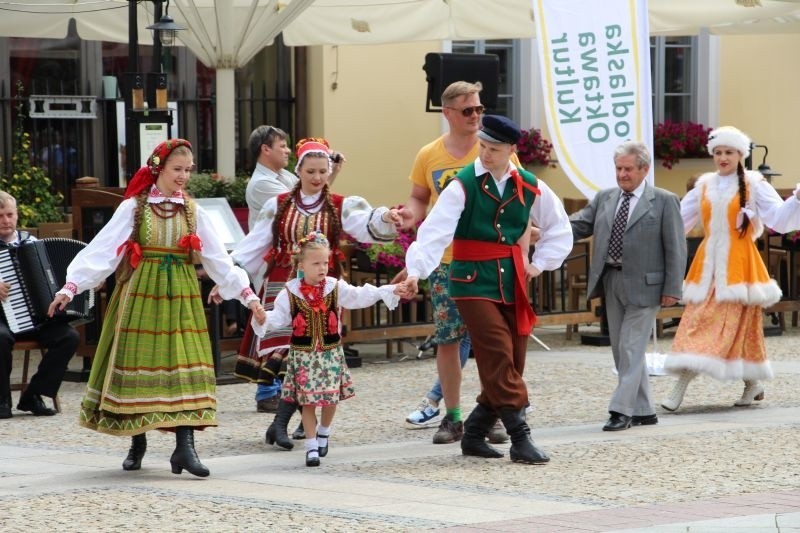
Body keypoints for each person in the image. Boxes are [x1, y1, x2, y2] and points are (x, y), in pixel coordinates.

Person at [48, 139, 266, 478]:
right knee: (140, 363)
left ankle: (185, 447)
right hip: (140, 293)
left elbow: (218, 260)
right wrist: (71, 285)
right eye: (177, 169)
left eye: (188, 170)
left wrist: (247, 296)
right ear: (159, 169)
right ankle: (138, 441)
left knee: (184, 365)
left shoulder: (194, 211)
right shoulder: (134, 207)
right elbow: (104, 250)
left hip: (181, 294)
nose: (183, 176)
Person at [404, 114, 572, 465]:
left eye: (494, 149)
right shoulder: (462, 184)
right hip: (469, 282)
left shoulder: (528, 183)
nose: (485, 154)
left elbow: (558, 227)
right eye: (482, 146)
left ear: (512, 150)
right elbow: (435, 231)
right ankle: (520, 438)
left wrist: (539, 264)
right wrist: (416, 271)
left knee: (514, 358)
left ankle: (476, 432)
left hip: (511, 280)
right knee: (496, 351)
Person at [221, 137, 399, 451]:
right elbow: (255, 244)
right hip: (282, 285)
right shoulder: (278, 205)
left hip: (321, 287)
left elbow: (365, 225)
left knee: (307, 355)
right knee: (287, 355)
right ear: (298, 170)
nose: (317, 178)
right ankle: (285, 424)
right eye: (311, 171)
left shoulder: (340, 205)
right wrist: (228, 277)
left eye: (322, 171)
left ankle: (284, 425)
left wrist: (384, 217)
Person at [397, 81, 525, 445]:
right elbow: (420, 198)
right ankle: (452, 418)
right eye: (468, 110)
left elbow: (519, 200)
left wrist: (523, 253)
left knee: (492, 340)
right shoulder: (429, 154)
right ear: (448, 113)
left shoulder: (497, 152)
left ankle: (494, 411)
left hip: (487, 260)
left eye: (479, 109)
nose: (476, 116)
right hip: (446, 263)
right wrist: (409, 216)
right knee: (448, 340)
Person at [660, 126, 800, 411]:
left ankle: (738, 383)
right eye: (718, 152)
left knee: (738, 327)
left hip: (739, 266)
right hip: (707, 265)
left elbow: (779, 219)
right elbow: (677, 222)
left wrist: (796, 200)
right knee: (696, 321)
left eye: (729, 152)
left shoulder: (755, 184)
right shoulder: (704, 186)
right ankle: (733, 383)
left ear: (740, 155)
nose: (723, 157)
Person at [251, 231, 405, 466]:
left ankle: (324, 431)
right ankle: (312, 447)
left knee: (330, 401)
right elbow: (278, 318)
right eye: (316, 263)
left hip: (330, 355)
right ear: (301, 264)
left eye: (325, 262)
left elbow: (358, 295)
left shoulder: (334, 287)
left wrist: (388, 290)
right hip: (303, 357)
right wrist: (263, 318)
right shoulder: (289, 292)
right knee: (309, 402)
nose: (322, 268)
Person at [570, 141, 686, 431]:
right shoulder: (605, 198)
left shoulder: (663, 200)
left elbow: (676, 247)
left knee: (631, 347)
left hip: (647, 286)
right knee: (622, 352)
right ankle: (644, 410)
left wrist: (673, 288)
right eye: (618, 168)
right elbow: (579, 225)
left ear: (644, 169)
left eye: (628, 169)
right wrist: (545, 229)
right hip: (611, 280)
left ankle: (620, 410)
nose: (622, 174)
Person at [241, 126, 344, 413]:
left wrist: (325, 171)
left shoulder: (285, 177)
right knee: (278, 326)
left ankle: (289, 397)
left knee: (295, 331)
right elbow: (301, 203)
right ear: (265, 149)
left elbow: (314, 193)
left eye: (289, 147)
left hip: (300, 265)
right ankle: (268, 391)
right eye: (282, 145)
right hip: (279, 265)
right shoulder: (263, 184)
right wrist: (324, 172)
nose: (286, 150)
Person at [0, 191, 80, 419]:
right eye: (0, 216)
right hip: (2, 319)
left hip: (35, 316)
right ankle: (2, 399)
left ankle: (33, 395)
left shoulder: (32, 243)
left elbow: (54, 276)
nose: (6, 220)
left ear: (16, 215)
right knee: (0, 338)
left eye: (10, 214)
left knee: (69, 337)